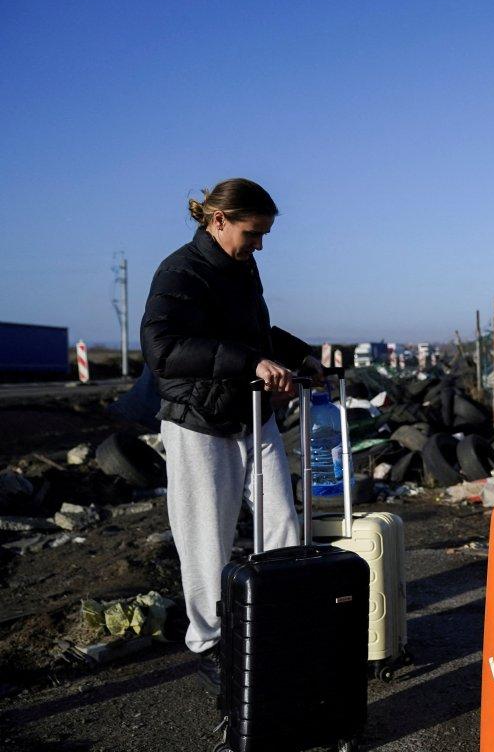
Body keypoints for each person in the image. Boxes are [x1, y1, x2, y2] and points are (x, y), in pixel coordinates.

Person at [141, 178, 322, 696]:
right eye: (252, 233)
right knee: (207, 537)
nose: (259, 244)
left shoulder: (243, 267)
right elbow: (164, 348)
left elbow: (254, 336)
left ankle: (280, 626)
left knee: (282, 525)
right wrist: (252, 361)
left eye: (264, 235)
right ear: (218, 220)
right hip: (199, 423)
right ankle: (209, 643)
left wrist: (297, 354)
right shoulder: (179, 271)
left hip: (251, 414)